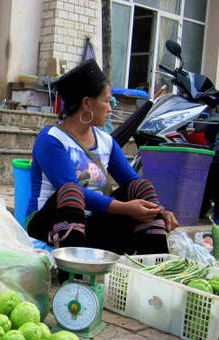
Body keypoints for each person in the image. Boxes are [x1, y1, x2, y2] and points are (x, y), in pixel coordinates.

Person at [26, 59, 179, 255]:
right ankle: (71, 272)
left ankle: (153, 265)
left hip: (90, 226)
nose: (110, 108)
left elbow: (132, 180)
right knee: (72, 191)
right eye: (106, 101)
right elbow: (71, 189)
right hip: (49, 225)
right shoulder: (51, 139)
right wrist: (125, 208)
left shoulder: (106, 141)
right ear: (87, 103)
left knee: (141, 188)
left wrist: (158, 210)